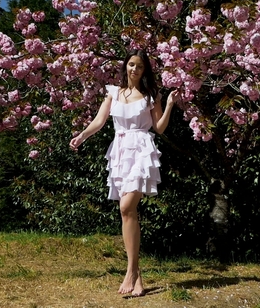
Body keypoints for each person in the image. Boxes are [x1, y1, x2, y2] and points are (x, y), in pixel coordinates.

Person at [69, 49, 179, 296]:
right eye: (131, 64)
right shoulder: (113, 93)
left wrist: (169, 104)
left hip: (141, 149)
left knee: (126, 207)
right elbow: (99, 121)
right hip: (119, 150)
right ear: (125, 67)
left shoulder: (151, 96)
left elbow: (159, 128)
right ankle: (136, 275)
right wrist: (81, 136)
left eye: (139, 66)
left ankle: (130, 272)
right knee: (127, 211)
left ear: (144, 70)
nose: (134, 69)